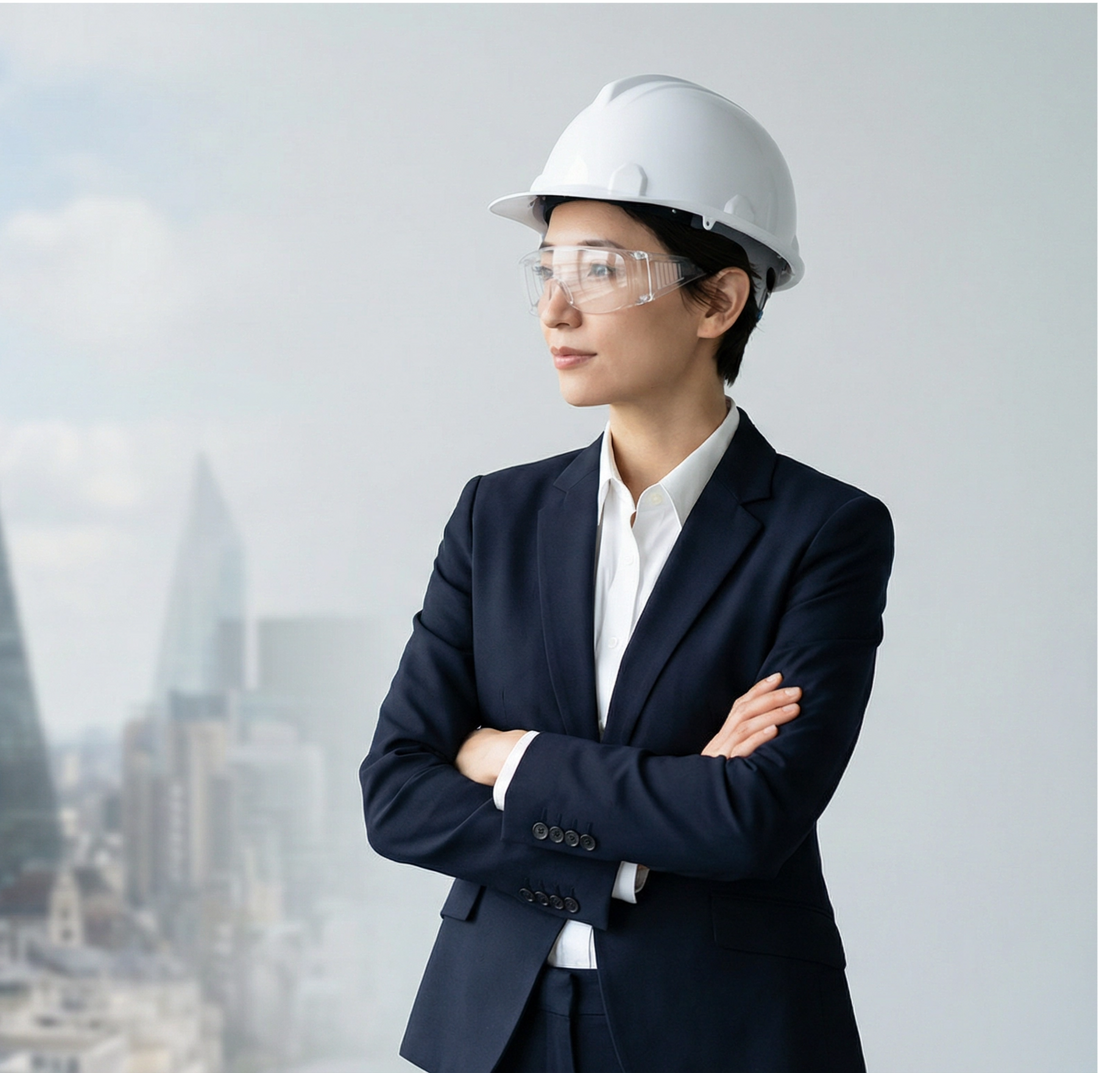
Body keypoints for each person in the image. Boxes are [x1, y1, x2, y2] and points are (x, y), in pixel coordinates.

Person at [360, 75, 892, 1073]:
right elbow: (396, 791)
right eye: (546, 266)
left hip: (724, 1029)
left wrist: (509, 756)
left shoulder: (826, 531)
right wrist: (642, 838)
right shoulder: (497, 515)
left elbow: (751, 818)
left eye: (600, 269)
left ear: (719, 298)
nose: (554, 307)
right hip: (493, 1026)